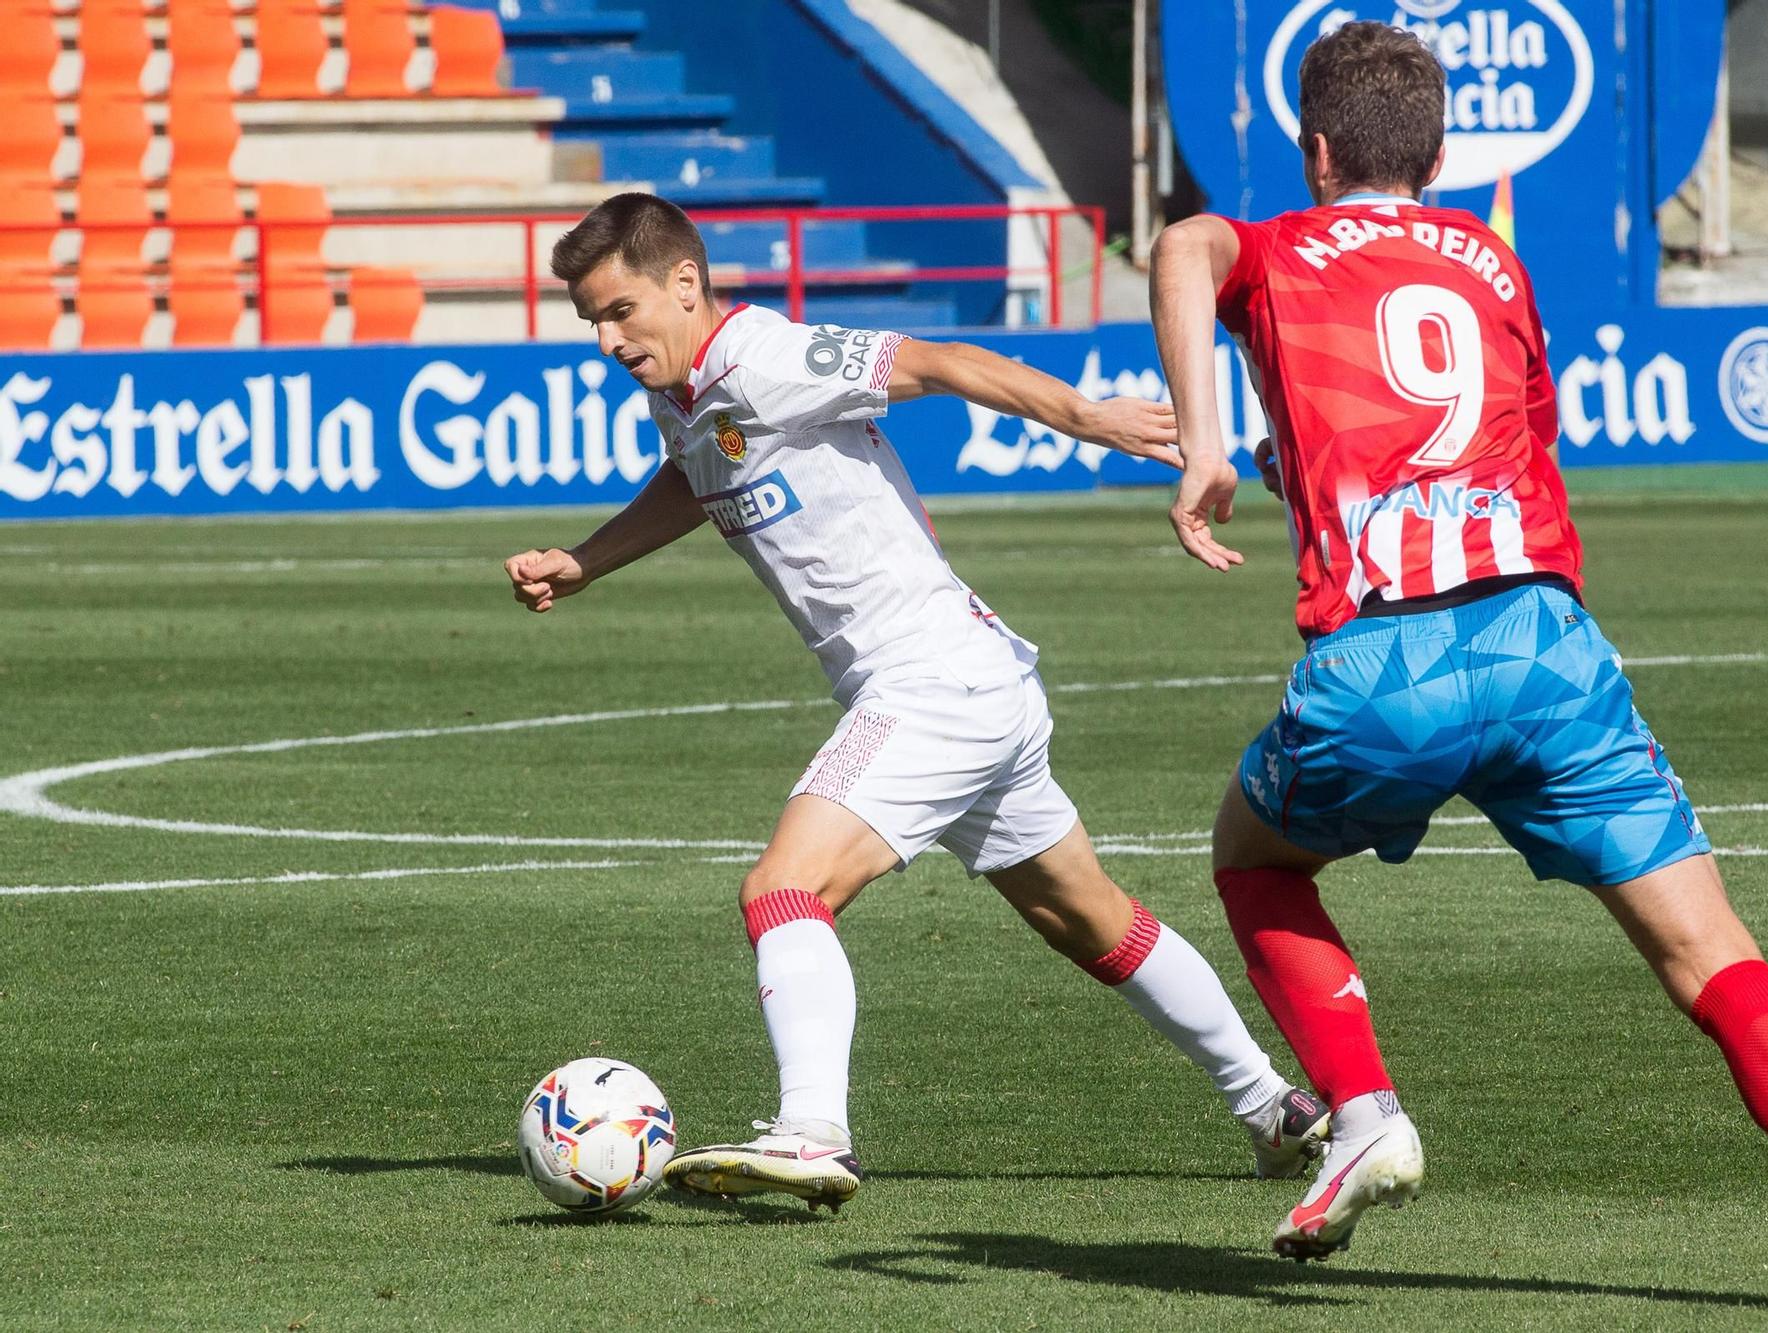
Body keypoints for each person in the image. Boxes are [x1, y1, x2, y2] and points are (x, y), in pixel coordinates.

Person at [1146, 20, 1768, 1315]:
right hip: (1547, 648)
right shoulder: (1494, 262)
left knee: (1251, 857)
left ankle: (1365, 1115)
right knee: (1715, 955)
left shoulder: (1286, 243)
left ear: (1315, 151)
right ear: (1441, 150)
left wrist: (1208, 438)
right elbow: (1492, 444)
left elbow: (1185, 248)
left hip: (1388, 661)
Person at [503, 192, 1334, 1214]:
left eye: (620, 309)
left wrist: (1091, 418)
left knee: (782, 891)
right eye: (591, 319)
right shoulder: (686, 390)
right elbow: (697, 470)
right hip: (973, 683)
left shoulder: (765, 356)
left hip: (930, 681)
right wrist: (589, 562)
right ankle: (1273, 1109)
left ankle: (812, 1132)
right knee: (1089, 918)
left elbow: (936, 363)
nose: (607, 338)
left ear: (684, 285)